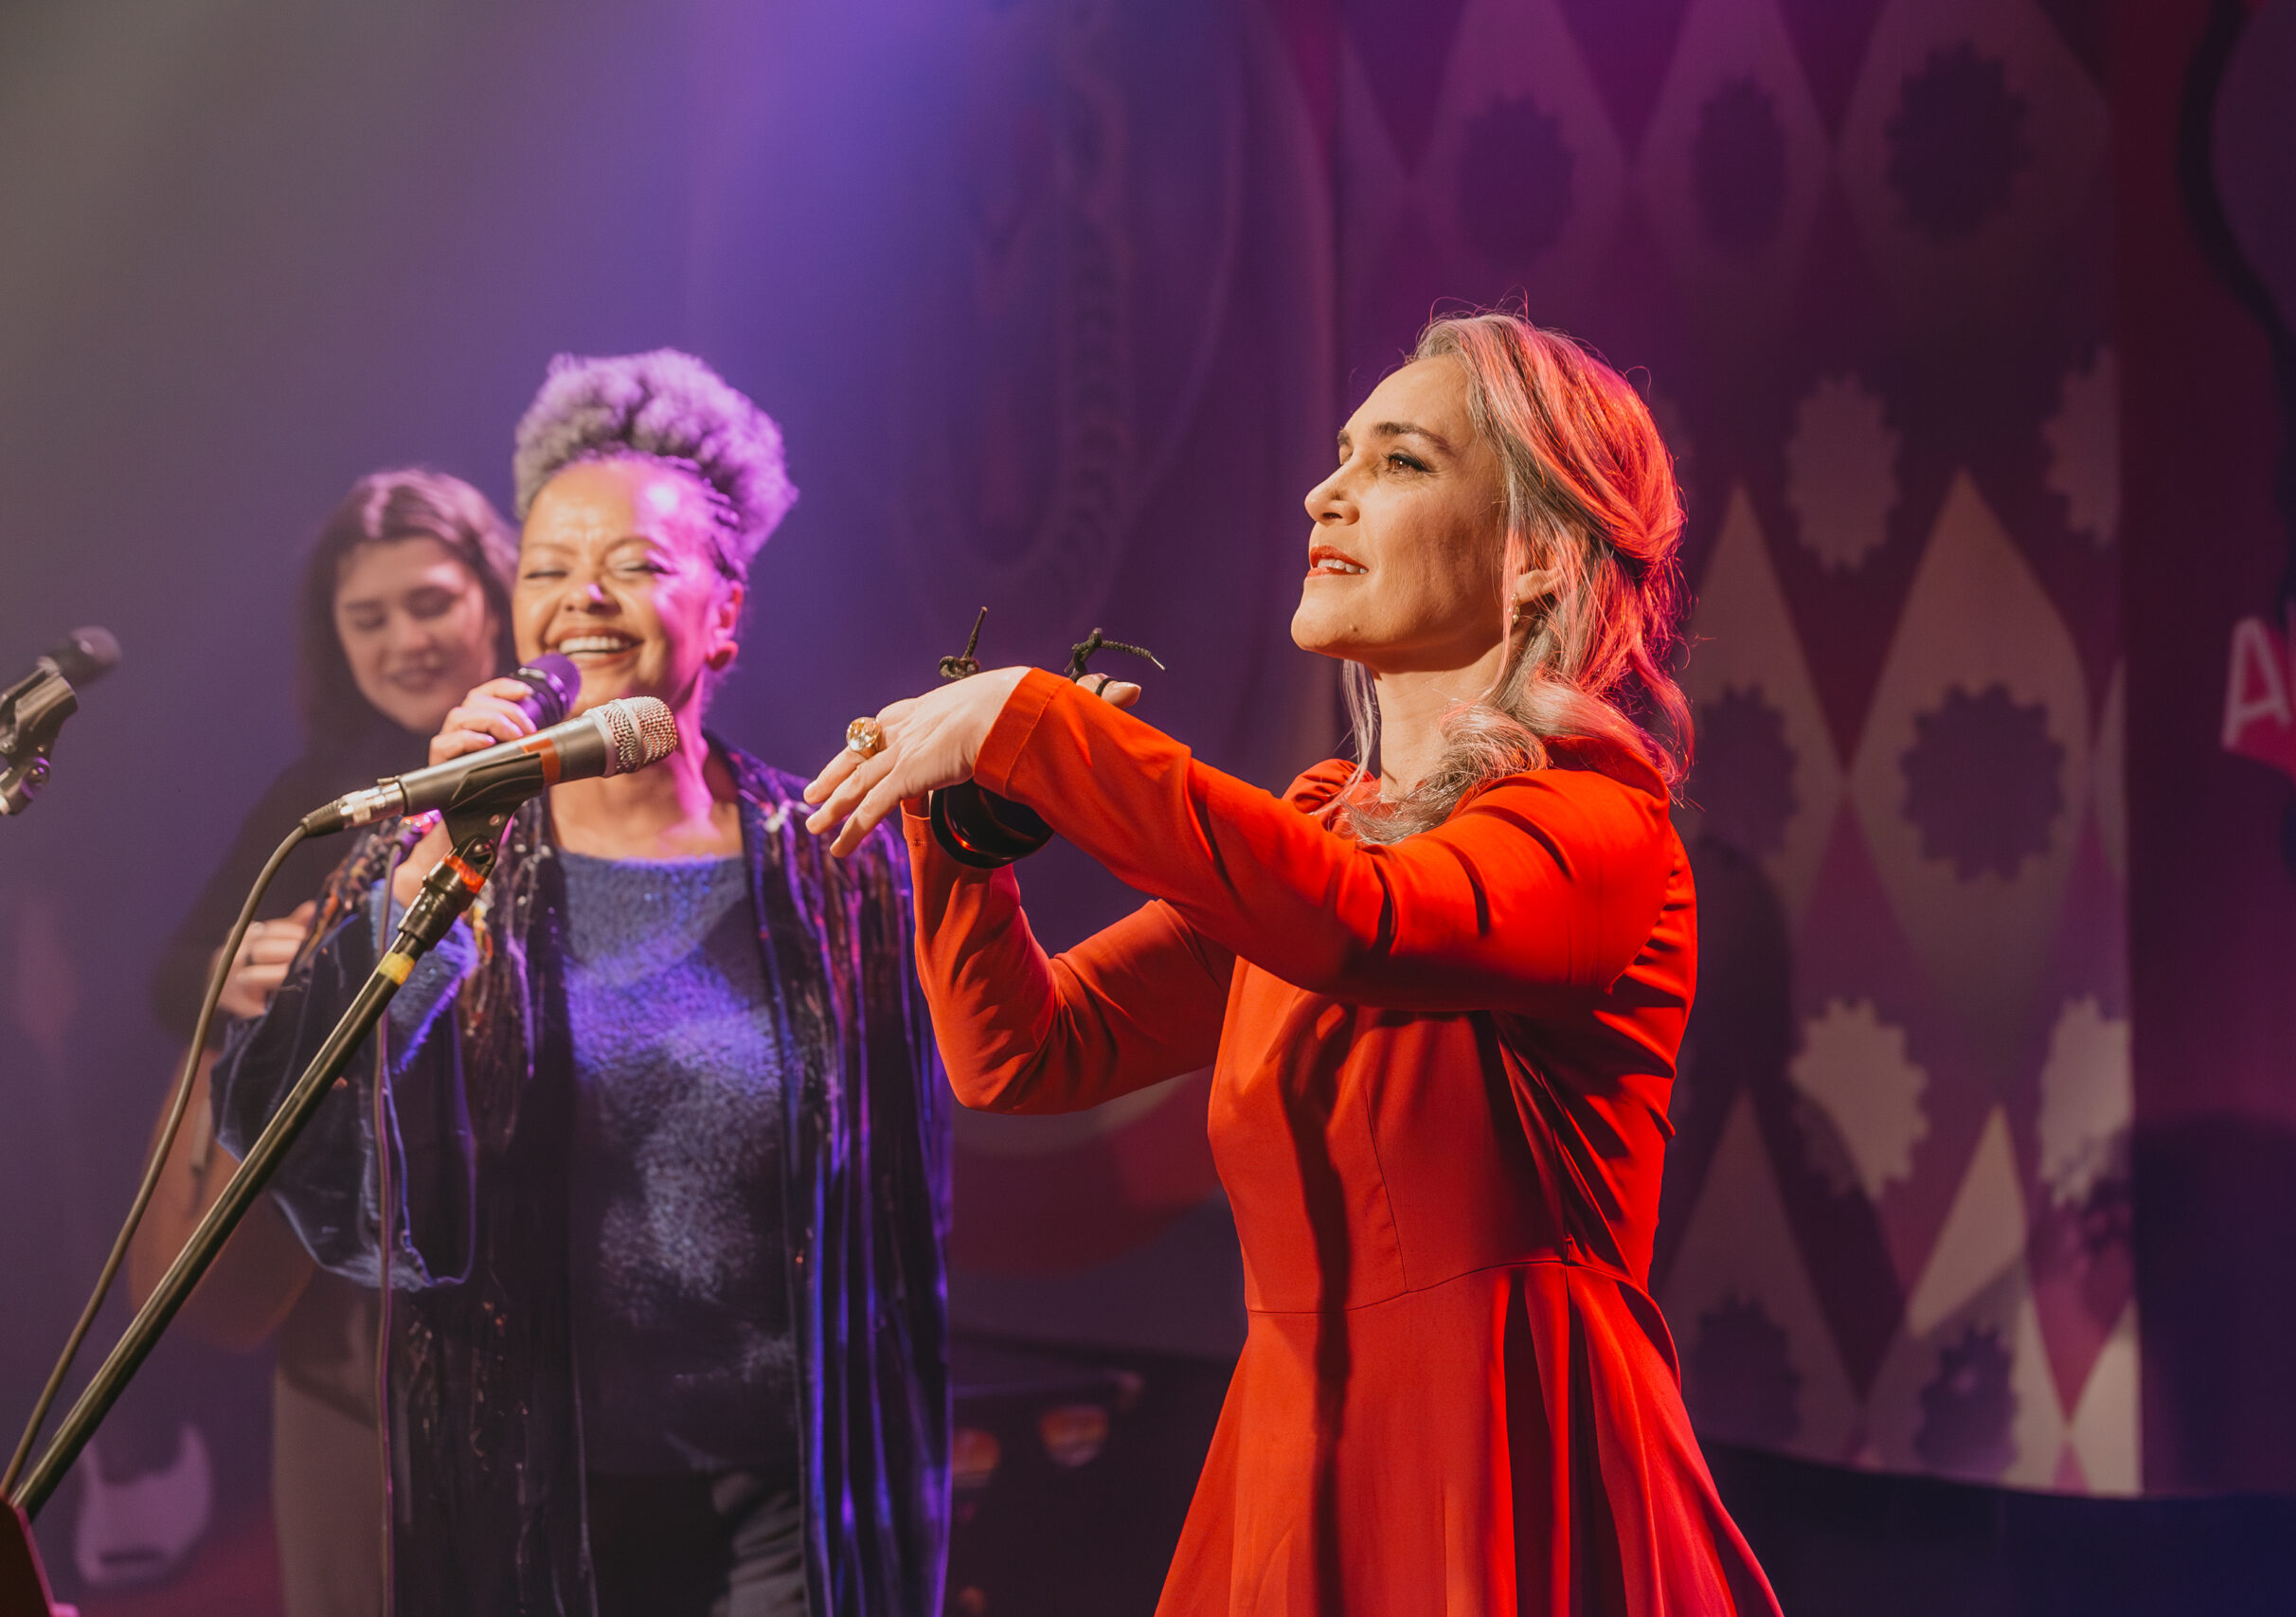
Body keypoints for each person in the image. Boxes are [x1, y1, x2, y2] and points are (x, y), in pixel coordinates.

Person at [807, 312, 1783, 1614]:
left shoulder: (1598, 824)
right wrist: (970, 844)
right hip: (1293, 1447)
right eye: (1340, 455)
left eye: (1402, 461)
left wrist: (1037, 726)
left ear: (1539, 557)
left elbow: (1362, 922)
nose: (1327, 492)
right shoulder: (1323, 831)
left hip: (1502, 1447)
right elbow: (1024, 1054)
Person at [217, 350, 952, 1617]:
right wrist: (441, 863)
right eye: (548, 569)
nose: (583, 599)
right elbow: (308, 1129)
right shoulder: (430, 854)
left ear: (725, 610)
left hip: (790, 1491)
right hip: (536, 1502)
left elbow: (901, 1200)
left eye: (636, 564)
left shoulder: (835, 858)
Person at [134, 469, 517, 1617]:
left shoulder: (564, 765)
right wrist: (231, 967)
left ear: (494, 597)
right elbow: (172, 978)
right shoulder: (320, 794)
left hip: (513, 1275)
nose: (404, 640)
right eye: (369, 618)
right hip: (343, 1297)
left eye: (430, 603)